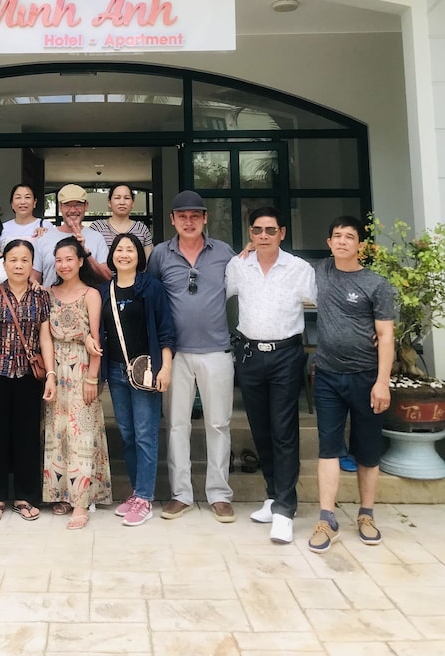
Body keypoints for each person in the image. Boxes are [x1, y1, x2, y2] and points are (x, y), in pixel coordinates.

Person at [225, 206, 317, 544]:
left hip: (285, 356)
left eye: (270, 230)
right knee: (260, 429)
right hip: (250, 355)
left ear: (282, 233)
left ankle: (285, 509)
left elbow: (322, 303)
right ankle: (273, 495)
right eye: (257, 230)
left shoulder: (299, 269)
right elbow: (219, 295)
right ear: (250, 233)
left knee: (283, 430)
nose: (263, 236)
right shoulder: (238, 266)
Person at [308, 216, 396, 553]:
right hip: (327, 376)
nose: (342, 241)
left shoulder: (376, 284)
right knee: (328, 447)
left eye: (349, 236)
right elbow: (280, 259)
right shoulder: (319, 271)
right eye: (337, 236)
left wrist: (382, 383)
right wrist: (249, 248)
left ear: (360, 244)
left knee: (368, 450)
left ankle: (366, 514)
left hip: (366, 377)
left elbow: (385, 335)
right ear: (329, 243)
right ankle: (326, 518)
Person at [148, 190, 236, 523]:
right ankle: (181, 494)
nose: (189, 221)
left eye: (195, 215)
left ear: (205, 218)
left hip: (217, 350)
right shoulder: (160, 254)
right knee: (176, 425)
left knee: (218, 424)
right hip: (176, 354)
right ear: (172, 220)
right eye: (182, 216)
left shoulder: (224, 253)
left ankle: (219, 494)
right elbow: (152, 298)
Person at [0, 239, 56, 523]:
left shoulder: (41, 296)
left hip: (28, 376)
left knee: (27, 437)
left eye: (24, 260)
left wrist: (51, 375)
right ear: (4, 263)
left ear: (32, 264)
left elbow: (45, 338)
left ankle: (24, 497)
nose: (19, 265)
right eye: (13, 260)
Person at [98, 233, 175, 526]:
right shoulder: (104, 290)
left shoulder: (151, 287)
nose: (124, 254)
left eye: (130, 249)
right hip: (116, 371)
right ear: (112, 255)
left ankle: (144, 497)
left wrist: (165, 367)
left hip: (146, 371)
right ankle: (136, 491)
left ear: (139, 256)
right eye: (119, 249)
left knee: (145, 434)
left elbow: (166, 330)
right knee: (128, 434)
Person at [43, 237, 112, 528]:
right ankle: (62, 493)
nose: (63, 265)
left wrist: (92, 376)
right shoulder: (48, 293)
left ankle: (81, 502)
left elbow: (95, 338)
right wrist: (50, 373)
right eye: (59, 260)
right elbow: (45, 336)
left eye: (69, 259)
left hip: (82, 365)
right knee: (58, 432)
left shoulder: (91, 294)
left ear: (81, 261)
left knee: (82, 432)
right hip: (56, 367)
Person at [32, 184, 111, 287]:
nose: (73, 210)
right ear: (60, 207)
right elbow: (34, 278)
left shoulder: (97, 237)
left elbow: (107, 277)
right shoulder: (44, 238)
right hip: (51, 296)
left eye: (78, 205)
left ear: (86, 206)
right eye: (67, 205)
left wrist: (85, 252)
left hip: (89, 296)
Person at [90, 183, 154, 259]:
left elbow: (149, 261)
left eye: (127, 198)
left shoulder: (142, 229)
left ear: (133, 203)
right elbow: (90, 259)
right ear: (109, 203)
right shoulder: (97, 227)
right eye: (117, 198)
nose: (122, 202)